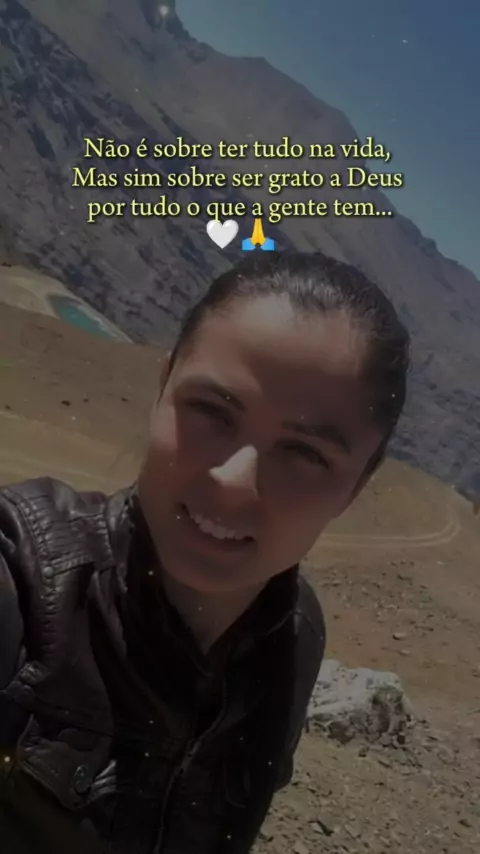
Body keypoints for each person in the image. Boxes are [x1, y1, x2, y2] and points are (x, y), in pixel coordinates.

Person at [0, 251, 410, 854]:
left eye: (304, 453)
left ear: (357, 485)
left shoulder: (294, 637)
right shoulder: (21, 585)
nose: (233, 482)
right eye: (212, 412)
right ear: (162, 389)